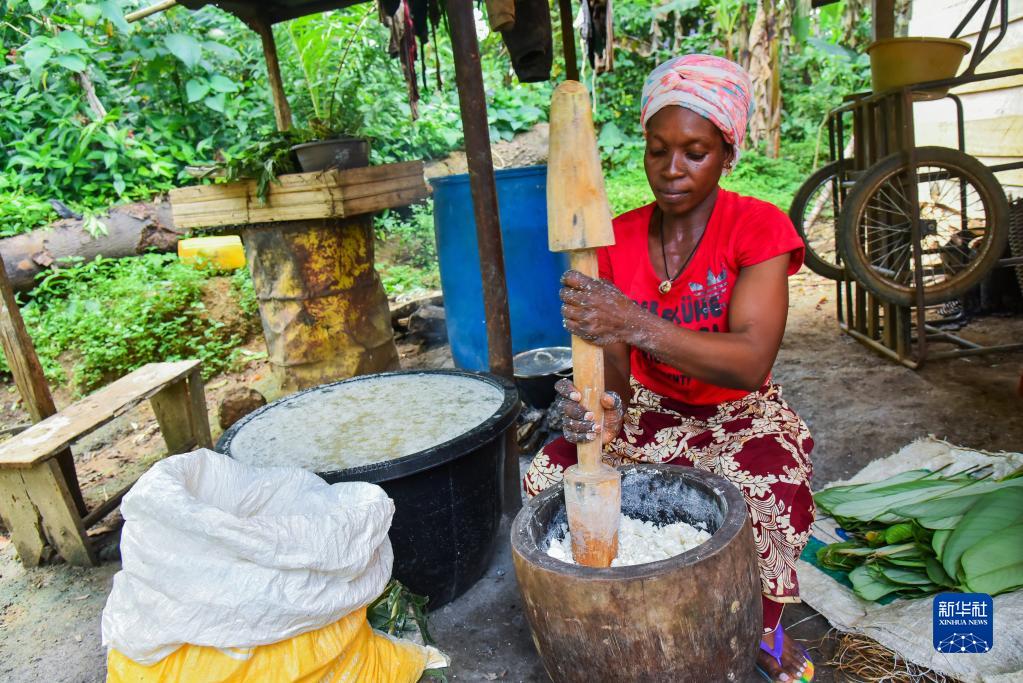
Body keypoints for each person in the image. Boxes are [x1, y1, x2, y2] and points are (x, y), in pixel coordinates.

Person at [523, 55, 815, 683]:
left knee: (767, 483)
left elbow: (750, 361)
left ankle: (756, 624)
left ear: (727, 153)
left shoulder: (758, 227)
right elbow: (615, 370)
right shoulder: (616, 239)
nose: (672, 169)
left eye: (695, 152)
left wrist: (632, 321)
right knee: (551, 472)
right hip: (652, 409)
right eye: (658, 151)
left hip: (738, 411)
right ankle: (616, 617)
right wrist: (599, 405)